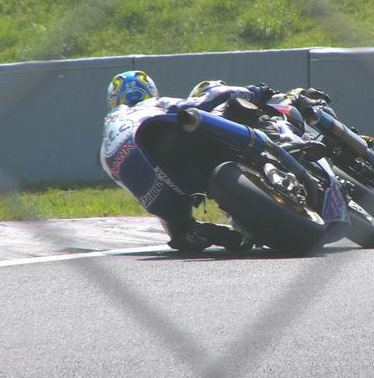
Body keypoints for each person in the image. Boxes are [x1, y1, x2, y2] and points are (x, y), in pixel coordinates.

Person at [100, 70, 274, 252]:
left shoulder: (106, 143)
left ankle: (190, 233)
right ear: (149, 91)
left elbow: (129, 185)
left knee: (180, 229)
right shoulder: (151, 104)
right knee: (198, 120)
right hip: (167, 148)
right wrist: (255, 92)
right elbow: (211, 98)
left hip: (144, 186)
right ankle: (259, 150)